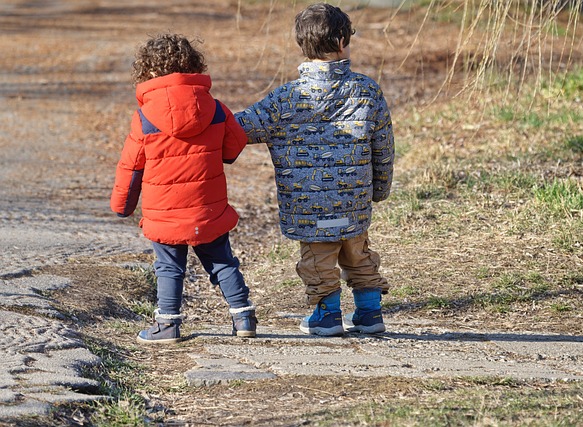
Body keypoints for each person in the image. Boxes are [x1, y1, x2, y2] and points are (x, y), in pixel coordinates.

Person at [235, 3, 394, 336]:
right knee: (358, 252)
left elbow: (241, 129)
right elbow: (383, 147)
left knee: (318, 260)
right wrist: (378, 190)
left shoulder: (285, 99)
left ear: (301, 45)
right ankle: (369, 312)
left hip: (309, 207)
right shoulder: (367, 91)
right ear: (341, 42)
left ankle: (328, 314)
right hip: (353, 201)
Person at [111, 33, 256, 344]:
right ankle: (243, 317)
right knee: (222, 262)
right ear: (192, 66)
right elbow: (235, 146)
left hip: (163, 211)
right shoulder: (215, 109)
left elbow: (131, 165)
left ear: (147, 72)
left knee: (168, 267)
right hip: (208, 206)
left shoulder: (145, 117)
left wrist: (122, 205)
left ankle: (167, 326)